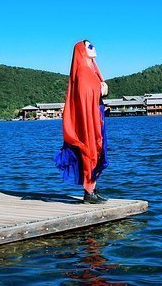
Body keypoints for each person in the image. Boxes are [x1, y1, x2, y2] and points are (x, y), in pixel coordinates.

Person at [54, 40, 109, 204]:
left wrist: (101, 89)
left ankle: (92, 188)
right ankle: (88, 191)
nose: (94, 48)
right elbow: (86, 96)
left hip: (96, 115)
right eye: (90, 46)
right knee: (89, 149)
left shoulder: (91, 70)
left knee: (97, 150)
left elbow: (96, 93)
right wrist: (101, 88)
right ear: (82, 51)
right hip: (88, 118)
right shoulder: (83, 72)